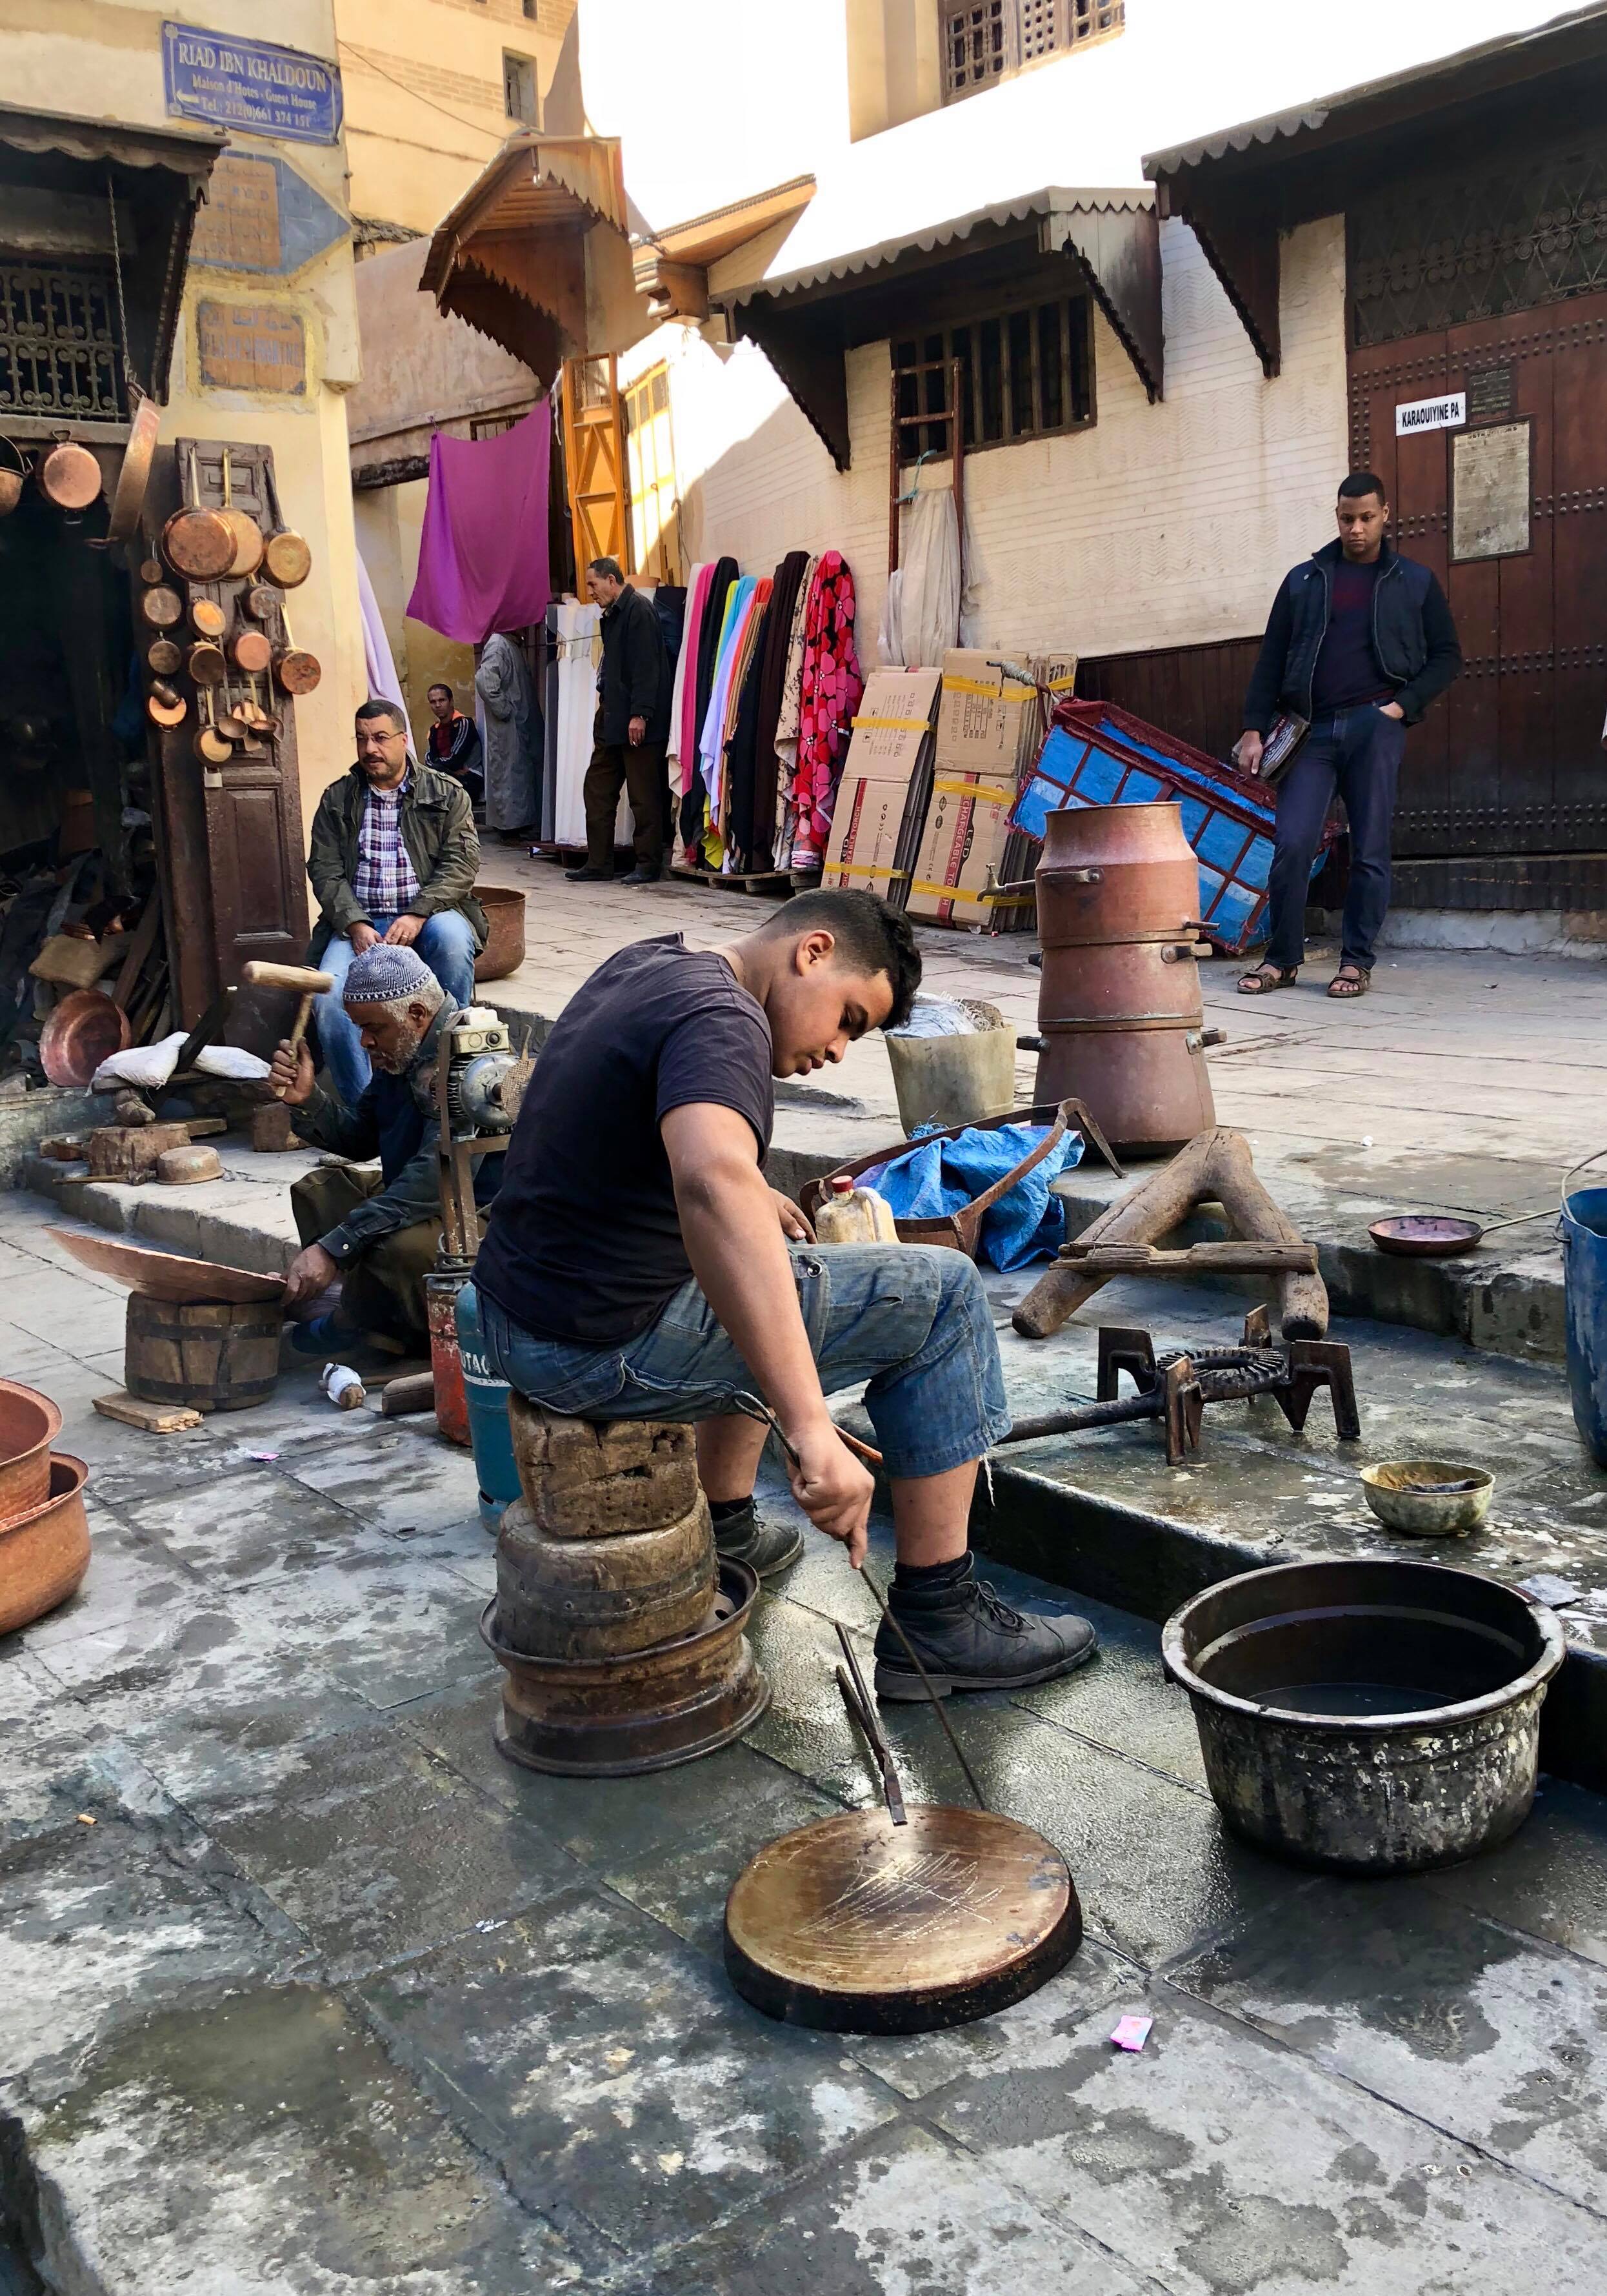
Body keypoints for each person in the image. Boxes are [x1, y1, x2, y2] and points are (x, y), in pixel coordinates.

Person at [471, 887, 1097, 1700]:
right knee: (941, 1291)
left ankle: (727, 1531)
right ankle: (939, 1619)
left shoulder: (652, 964)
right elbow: (708, 1184)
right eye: (849, 1019)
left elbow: (630, 1135)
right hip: (595, 1344)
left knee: (763, 1246)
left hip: (524, 1315)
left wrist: (747, 1198)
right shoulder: (726, 1021)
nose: (840, 1049)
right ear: (812, 951)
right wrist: (811, 1434)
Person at [1235, 470, 1461, 1000]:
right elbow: (1271, 659)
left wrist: (1400, 707)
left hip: (1373, 727)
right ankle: (1282, 959)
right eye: (1345, 518)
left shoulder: (1414, 580)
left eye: (1365, 518)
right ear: (1335, 517)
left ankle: (1356, 962)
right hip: (1308, 731)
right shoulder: (1304, 580)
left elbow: (1447, 656)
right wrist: (1252, 728)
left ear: (1385, 514)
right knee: (1291, 843)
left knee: (1369, 848)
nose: (1355, 528)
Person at [275, 945, 498, 1353]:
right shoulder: (404, 1049)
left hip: (483, 1214)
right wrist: (307, 1101)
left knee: (390, 1248)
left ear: (416, 1015)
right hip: (432, 1198)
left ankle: (379, 1330)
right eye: (360, 1028)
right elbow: (362, 1137)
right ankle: (375, 1313)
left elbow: (433, 1181)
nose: (364, 1042)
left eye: (373, 1029)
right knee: (320, 1191)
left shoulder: (473, 1062)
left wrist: (335, 1247)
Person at [306, 698, 486, 1109]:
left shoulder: (446, 792)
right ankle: (365, 1113)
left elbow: (462, 863)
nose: (370, 748)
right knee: (330, 1001)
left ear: (403, 740)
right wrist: (353, 923)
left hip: (431, 913)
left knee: (455, 946)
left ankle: (452, 1088)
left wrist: (418, 913)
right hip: (359, 922)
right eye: (362, 739)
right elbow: (324, 869)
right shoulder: (338, 798)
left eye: (381, 738)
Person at [566, 557, 673, 887]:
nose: (591, 593)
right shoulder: (612, 615)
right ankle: (599, 862)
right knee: (597, 789)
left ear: (612, 581)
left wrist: (640, 714)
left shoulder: (638, 611)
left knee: (644, 795)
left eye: (593, 585)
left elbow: (647, 668)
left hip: (636, 720)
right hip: (612, 717)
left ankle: (648, 864)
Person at [474, 630, 540, 840]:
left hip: (517, 724)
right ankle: (510, 827)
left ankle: (517, 824)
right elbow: (485, 680)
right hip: (507, 725)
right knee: (509, 774)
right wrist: (504, 709)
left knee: (517, 773)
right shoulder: (498, 643)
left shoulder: (511, 644)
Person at [425, 681, 484, 808]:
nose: (438, 705)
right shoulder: (434, 730)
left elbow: (456, 760)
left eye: (442, 700)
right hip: (446, 777)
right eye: (433, 702)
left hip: (469, 778)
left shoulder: (464, 723)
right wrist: (449, 771)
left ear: (451, 701)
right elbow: (429, 760)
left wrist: (440, 768)